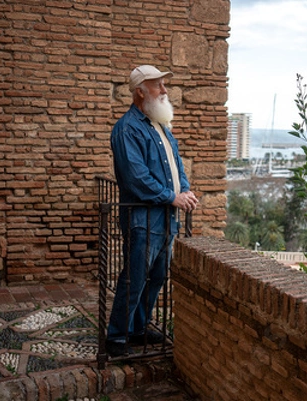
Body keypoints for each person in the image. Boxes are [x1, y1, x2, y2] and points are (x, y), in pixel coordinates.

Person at [106, 65, 198, 357]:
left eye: (163, 85)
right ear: (140, 91)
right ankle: (117, 338)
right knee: (134, 278)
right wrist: (172, 197)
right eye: (158, 85)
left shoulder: (161, 126)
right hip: (143, 220)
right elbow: (136, 177)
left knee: (156, 278)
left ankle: (138, 328)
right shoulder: (126, 129)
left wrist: (184, 191)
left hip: (166, 218)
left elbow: (177, 166)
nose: (164, 91)